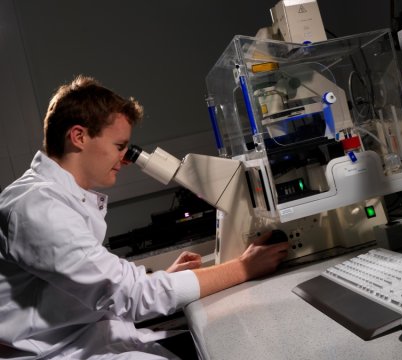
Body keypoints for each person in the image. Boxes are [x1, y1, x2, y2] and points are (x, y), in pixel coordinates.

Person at [0, 75, 290, 359]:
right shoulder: (37, 208)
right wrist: (243, 269)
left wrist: (164, 280)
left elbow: (94, 286)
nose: (126, 159)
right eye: (119, 146)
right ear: (79, 136)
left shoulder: (61, 197)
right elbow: (130, 295)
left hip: (90, 336)